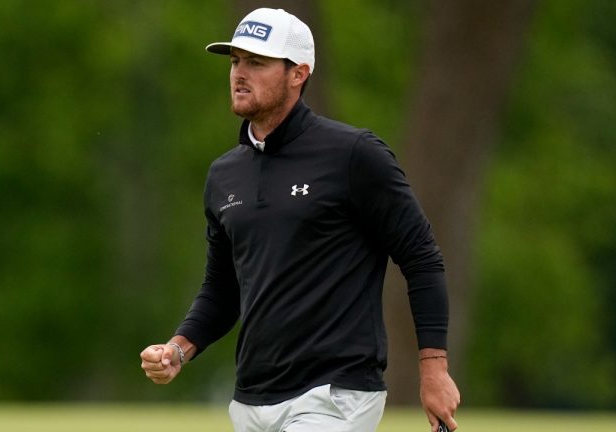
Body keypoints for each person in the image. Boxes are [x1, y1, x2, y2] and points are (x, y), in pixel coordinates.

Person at [140, 7, 460, 432]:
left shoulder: (354, 155)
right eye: (236, 60)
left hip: (334, 395)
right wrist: (178, 349)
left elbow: (421, 257)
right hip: (252, 400)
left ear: (298, 73)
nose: (239, 73)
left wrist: (434, 370)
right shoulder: (224, 175)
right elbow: (222, 290)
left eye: (257, 62)